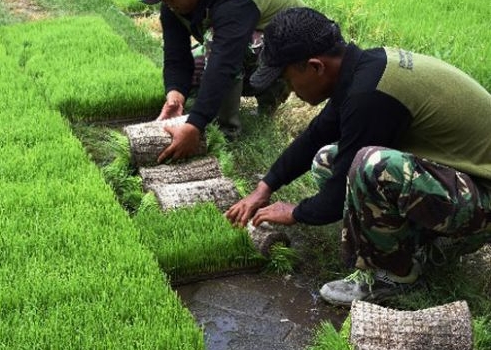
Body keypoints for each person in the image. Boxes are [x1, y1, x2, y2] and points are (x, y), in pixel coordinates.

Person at [224, 7, 491, 306]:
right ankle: (419, 242)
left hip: (483, 195)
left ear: (315, 67)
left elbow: (337, 197)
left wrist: (296, 212)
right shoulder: (364, 69)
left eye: (288, 80)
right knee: (327, 158)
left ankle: (394, 276)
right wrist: (265, 187)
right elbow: (315, 135)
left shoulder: (370, 95)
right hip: (462, 178)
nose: (291, 91)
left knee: (371, 167)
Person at [139, 0, 305, 163]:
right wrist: (175, 96)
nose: (168, 3)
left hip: (291, 46)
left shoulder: (233, 4)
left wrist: (196, 124)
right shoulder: (172, 7)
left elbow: (224, 61)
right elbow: (176, 57)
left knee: (215, 49)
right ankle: (220, 109)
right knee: (199, 63)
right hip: (241, 36)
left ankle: (228, 130)